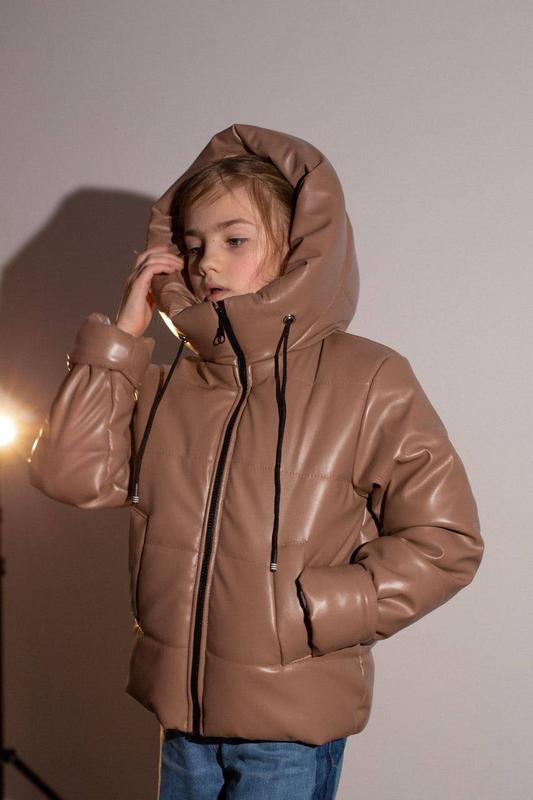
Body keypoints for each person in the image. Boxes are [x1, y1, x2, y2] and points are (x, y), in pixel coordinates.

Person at [28, 123, 485, 799]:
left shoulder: (369, 378)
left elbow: (446, 541)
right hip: (182, 719)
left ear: (299, 248)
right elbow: (70, 476)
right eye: (192, 246)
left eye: (234, 240)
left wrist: (311, 611)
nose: (206, 263)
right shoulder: (169, 383)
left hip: (289, 726)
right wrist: (122, 338)